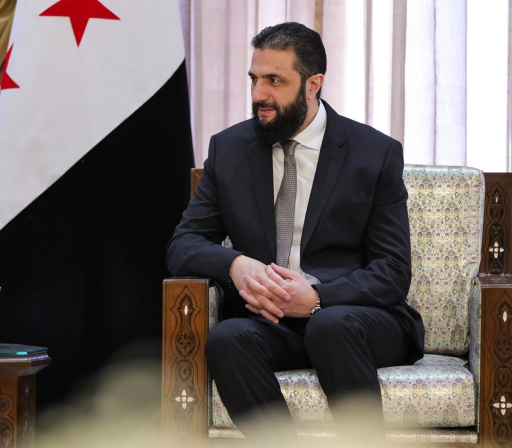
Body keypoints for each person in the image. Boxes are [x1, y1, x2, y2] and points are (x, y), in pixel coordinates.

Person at [167, 22, 425, 443]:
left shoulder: (373, 153)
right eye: (254, 79)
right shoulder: (229, 149)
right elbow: (183, 245)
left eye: (274, 81)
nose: (258, 94)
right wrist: (236, 264)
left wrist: (318, 299)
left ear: (313, 84)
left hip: (356, 319)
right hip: (273, 323)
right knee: (227, 337)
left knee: (330, 326)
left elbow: (393, 271)